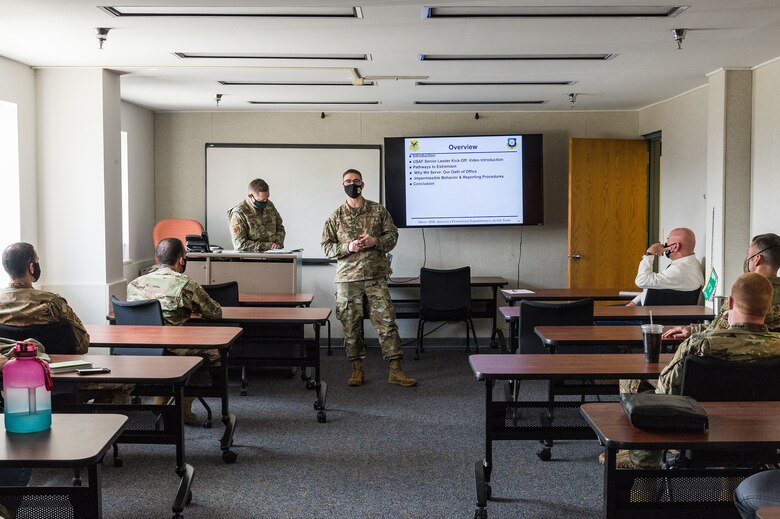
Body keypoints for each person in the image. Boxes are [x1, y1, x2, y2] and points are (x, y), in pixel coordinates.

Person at [622, 273, 780, 469]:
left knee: (642, 391)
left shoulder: (699, 345)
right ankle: (730, 486)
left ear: (729, 302)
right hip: (763, 436)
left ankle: (644, 476)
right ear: (769, 308)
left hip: (698, 431)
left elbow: (667, 392)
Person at [321, 168, 416, 387]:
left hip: (375, 276)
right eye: (347, 181)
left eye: (355, 181)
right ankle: (357, 369)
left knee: (387, 322)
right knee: (350, 325)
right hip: (347, 279)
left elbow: (392, 235)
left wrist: (376, 241)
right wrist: (348, 246)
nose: (351, 184)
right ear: (342, 184)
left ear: (362, 184)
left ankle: (396, 369)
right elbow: (326, 247)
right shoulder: (335, 216)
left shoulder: (378, 210)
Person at [127, 237, 223, 424]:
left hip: (138, 349)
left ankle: (160, 400)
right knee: (214, 353)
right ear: (181, 259)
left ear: (158, 259)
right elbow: (214, 313)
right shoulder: (185, 284)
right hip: (171, 348)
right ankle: (184, 407)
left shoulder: (134, 284)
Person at [664, 232, 780, 339]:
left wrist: (694, 331)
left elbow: (721, 329)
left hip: (735, 355)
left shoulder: (744, 291)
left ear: (757, 260)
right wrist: (694, 329)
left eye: (748, 255)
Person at [0, 242, 90, 354]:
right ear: (31, 267)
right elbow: (82, 344)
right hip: (50, 368)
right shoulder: (53, 303)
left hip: (6, 369)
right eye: (37, 261)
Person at [627, 227, 704, 306]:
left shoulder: (679, 270)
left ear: (675, 246)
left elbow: (641, 281)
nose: (664, 244)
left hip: (647, 314)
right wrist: (634, 302)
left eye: (668, 240)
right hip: (641, 308)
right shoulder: (690, 263)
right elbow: (655, 284)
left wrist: (649, 254)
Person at [228, 178, 285, 251]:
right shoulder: (239, 213)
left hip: (273, 254)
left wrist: (278, 243)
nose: (265, 202)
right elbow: (240, 244)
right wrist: (268, 246)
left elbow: (279, 227)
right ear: (250, 196)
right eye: (261, 200)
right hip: (251, 258)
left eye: (267, 198)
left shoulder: (269, 205)